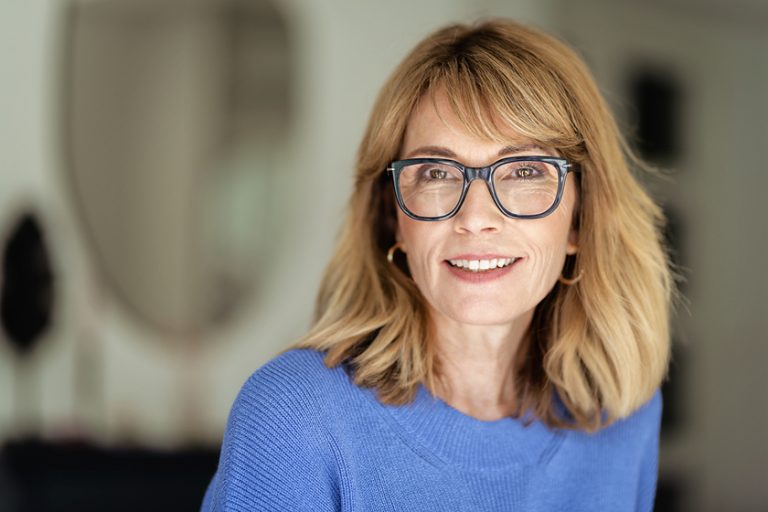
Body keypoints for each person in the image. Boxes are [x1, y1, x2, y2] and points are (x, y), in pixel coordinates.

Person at [201, 18, 673, 511]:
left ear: (581, 218)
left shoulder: (622, 415)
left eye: (523, 171)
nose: (475, 218)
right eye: (436, 173)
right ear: (393, 217)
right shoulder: (293, 416)